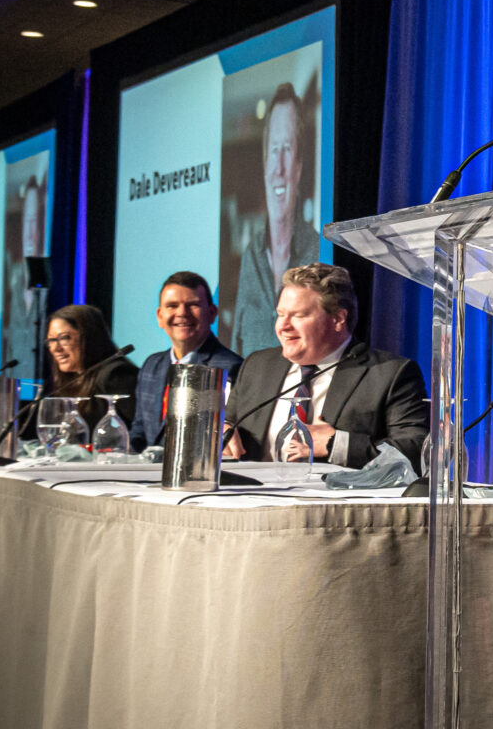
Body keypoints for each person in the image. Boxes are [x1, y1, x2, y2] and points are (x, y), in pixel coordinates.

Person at [221, 264, 428, 468]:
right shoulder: (257, 365)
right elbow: (228, 423)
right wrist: (222, 432)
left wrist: (338, 445)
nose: (283, 326)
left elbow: (415, 450)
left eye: (299, 315)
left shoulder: (389, 373)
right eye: (281, 314)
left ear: (338, 318)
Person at [229, 83, 319, 359]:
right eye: (273, 150)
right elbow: (237, 346)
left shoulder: (319, 253)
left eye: (288, 149)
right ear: (265, 162)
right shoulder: (251, 256)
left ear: (300, 165)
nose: (278, 168)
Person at [131, 272, 245, 450]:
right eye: (172, 306)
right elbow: (139, 432)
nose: (182, 313)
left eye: (193, 305)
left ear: (212, 313)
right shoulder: (151, 366)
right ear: (160, 316)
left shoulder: (231, 368)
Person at [43, 304, 137, 427]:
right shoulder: (65, 381)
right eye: (52, 340)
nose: (56, 348)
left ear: (89, 337)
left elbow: (141, 431)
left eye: (64, 338)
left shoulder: (116, 374)